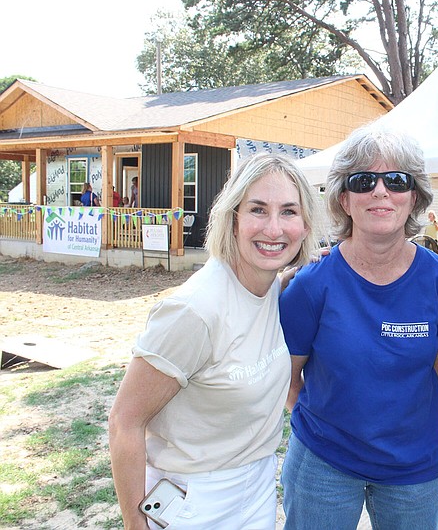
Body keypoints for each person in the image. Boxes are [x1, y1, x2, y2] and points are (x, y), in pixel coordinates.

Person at [108, 153, 320, 530]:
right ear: (233, 218)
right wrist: (134, 525)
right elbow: (125, 421)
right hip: (192, 499)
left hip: (257, 485)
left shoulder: (273, 289)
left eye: (289, 212)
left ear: (305, 226)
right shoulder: (193, 312)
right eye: (258, 209)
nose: (274, 229)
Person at [279, 125, 438, 530]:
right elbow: (288, 380)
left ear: (414, 196)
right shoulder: (310, 285)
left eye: (397, 180)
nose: (381, 192)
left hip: (414, 465)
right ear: (344, 199)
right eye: (364, 181)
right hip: (323, 461)